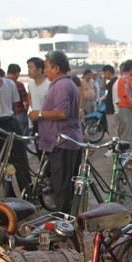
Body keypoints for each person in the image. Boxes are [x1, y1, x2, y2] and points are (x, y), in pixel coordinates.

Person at [28, 51, 82, 213]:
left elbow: (62, 112)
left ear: (56, 68)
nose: (45, 71)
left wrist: (38, 114)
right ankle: (67, 220)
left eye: (46, 67)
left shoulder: (62, 85)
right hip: (63, 141)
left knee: (62, 188)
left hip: (62, 142)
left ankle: (62, 224)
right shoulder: (63, 83)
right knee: (64, 186)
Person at [0, 51, 32, 198]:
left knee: (21, 159)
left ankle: (28, 193)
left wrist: (12, 121)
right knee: (2, 164)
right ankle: (10, 196)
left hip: (10, 123)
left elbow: (15, 106)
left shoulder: (10, 84)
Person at [26, 56, 50, 137]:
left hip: (48, 120)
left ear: (39, 70)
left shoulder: (49, 84)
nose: (28, 70)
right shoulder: (30, 84)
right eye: (28, 67)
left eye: (31, 67)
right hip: (36, 120)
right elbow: (30, 97)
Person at [6, 64, 30, 136]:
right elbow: (26, 101)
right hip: (20, 113)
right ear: (17, 73)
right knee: (23, 136)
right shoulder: (19, 84)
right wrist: (25, 111)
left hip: (7, 114)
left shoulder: (2, 84)